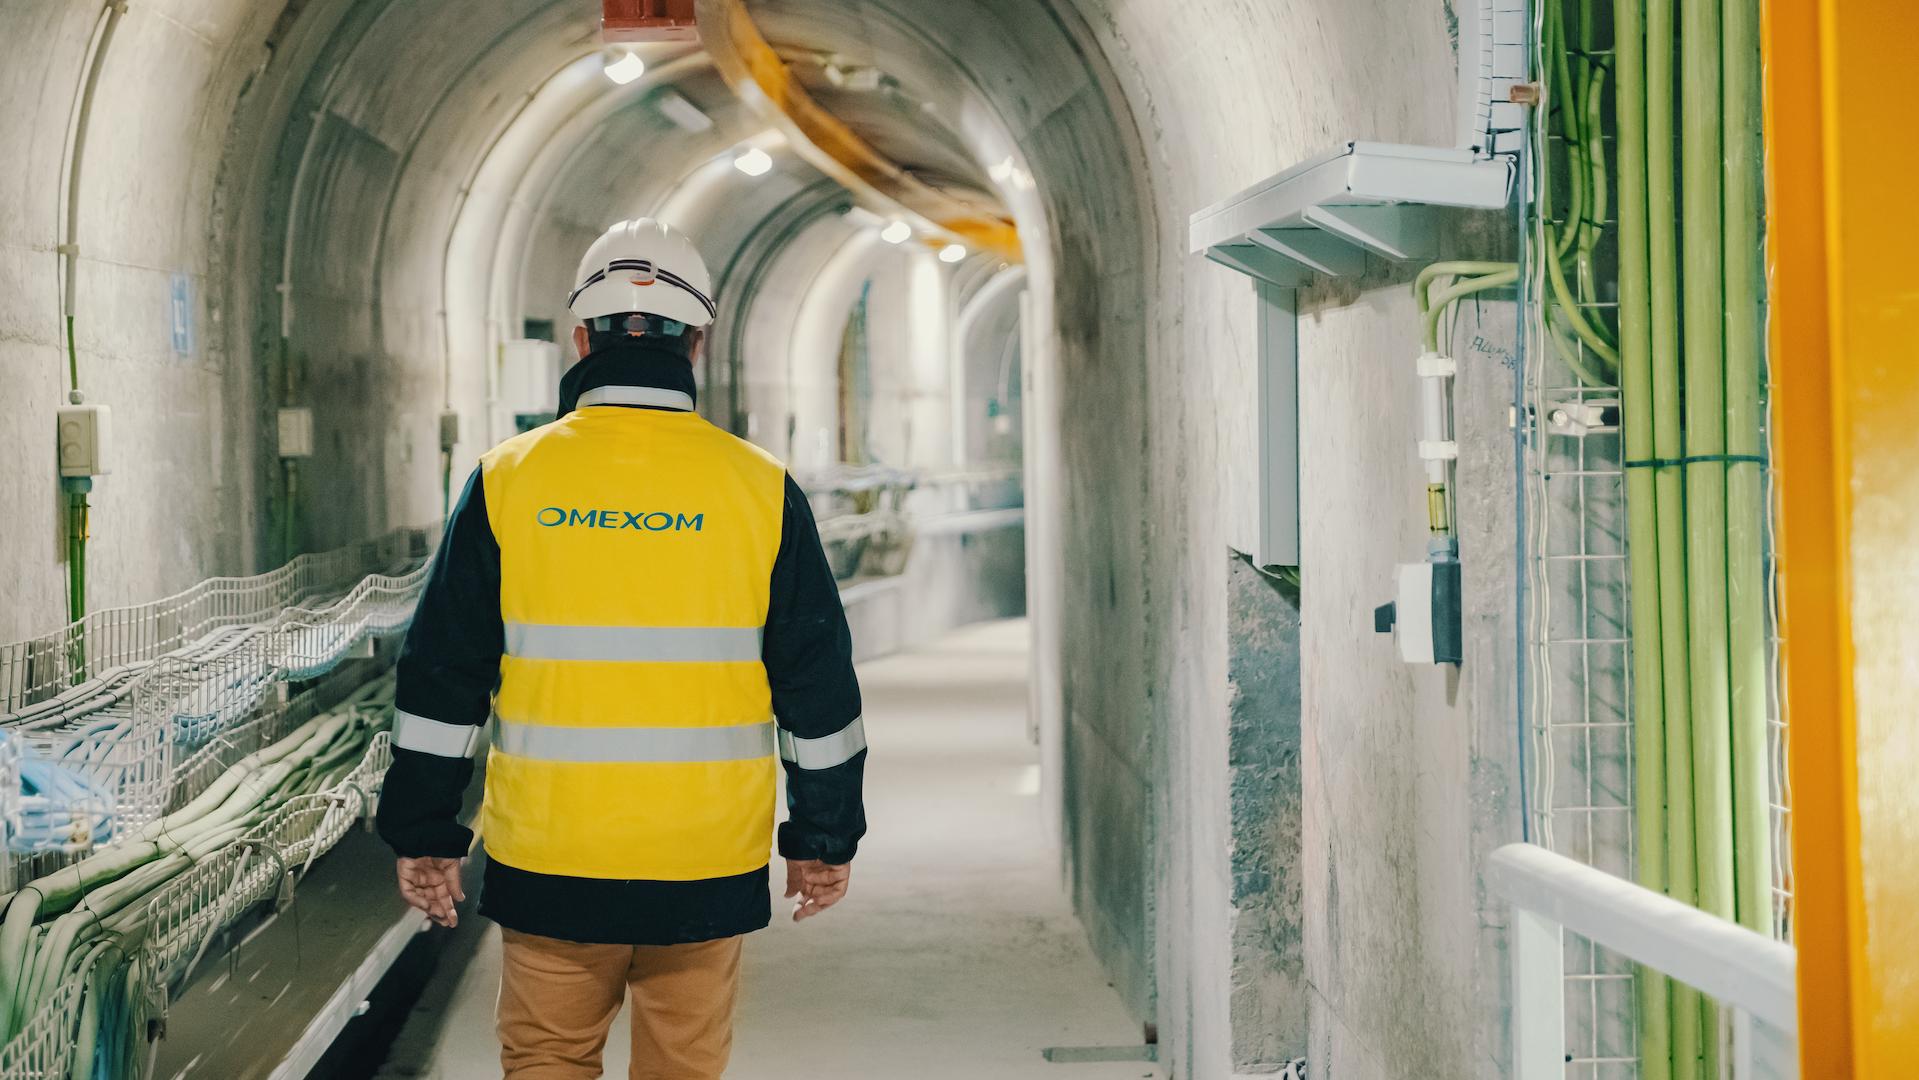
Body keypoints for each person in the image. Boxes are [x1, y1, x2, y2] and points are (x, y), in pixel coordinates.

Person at [376, 218, 867, 1079]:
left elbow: (440, 679)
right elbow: (816, 685)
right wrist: (822, 836)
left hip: (551, 853)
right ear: (700, 343)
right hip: (706, 854)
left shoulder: (507, 481)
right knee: (684, 1065)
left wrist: (424, 831)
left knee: (547, 1061)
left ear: (580, 337)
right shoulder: (759, 488)